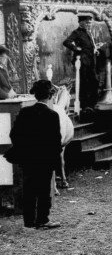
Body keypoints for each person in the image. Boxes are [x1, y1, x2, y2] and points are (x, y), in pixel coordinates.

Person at [8, 80, 64, 229]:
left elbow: (14, 134)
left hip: (27, 158)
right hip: (45, 158)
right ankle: (43, 220)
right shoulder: (52, 115)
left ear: (36, 95)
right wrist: (55, 158)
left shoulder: (25, 112)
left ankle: (29, 222)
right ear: (50, 95)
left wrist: (24, 150)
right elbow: (56, 141)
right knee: (44, 189)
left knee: (29, 189)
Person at [63, 11, 98, 109]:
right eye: (87, 22)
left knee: (94, 82)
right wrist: (76, 49)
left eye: (90, 23)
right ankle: (85, 106)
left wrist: (95, 50)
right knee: (84, 83)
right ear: (81, 22)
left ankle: (92, 104)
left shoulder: (88, 33)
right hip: (82, 62)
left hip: (91, 61)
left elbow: (89, 46)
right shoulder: (76, 32)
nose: (89, 24)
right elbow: (66, 42)